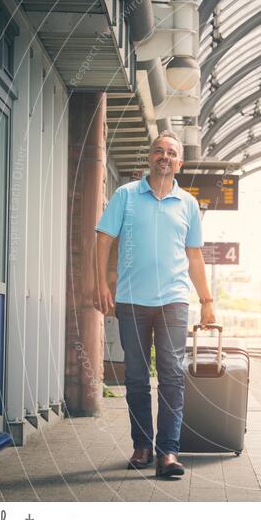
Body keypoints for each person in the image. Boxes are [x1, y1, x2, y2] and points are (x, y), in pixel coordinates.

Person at [94, 130, 215, 478]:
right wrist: (100, 282)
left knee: (173, 376)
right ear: (150, 157)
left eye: (171, 152)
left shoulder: (188, 204)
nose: (165, 156)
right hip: (131, 300)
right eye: (159, 150)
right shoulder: (126, 196)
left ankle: (169, 452)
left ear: (180, 162)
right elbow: (103, 240)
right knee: (135, 377)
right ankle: (142, 446)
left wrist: (207, 300)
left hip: (174, 302)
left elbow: (194, 256)